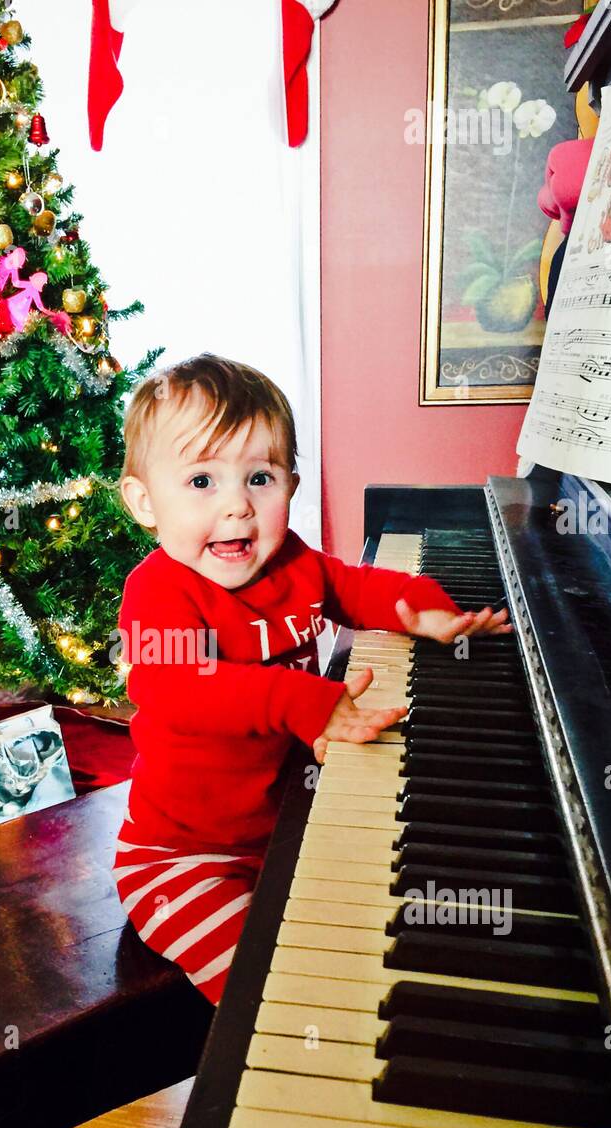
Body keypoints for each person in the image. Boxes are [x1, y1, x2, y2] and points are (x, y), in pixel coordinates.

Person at [112, 354, 511, 1005]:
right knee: (267, 990)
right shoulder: (158, 591)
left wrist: (428, 606)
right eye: (202, 481)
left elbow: (359, 586)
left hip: (284, 823)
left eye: (260, 477)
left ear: (292, 485)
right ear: (144, 502)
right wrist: (305, 702)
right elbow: (178, 687)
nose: (238, 507)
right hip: (181, 856)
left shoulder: (293, 564)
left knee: (369, 923)